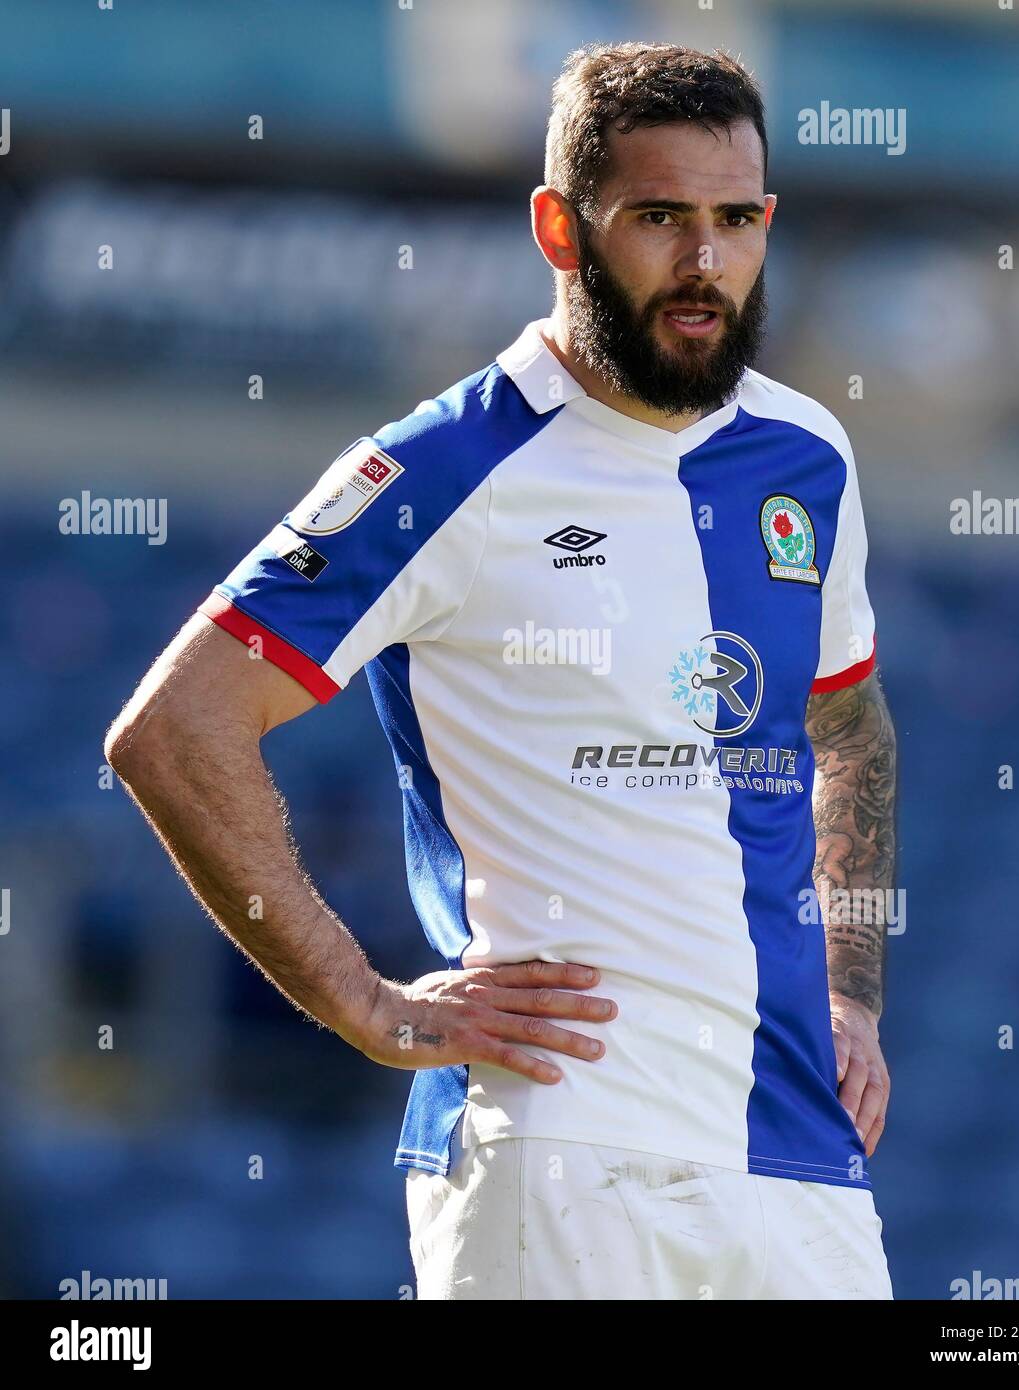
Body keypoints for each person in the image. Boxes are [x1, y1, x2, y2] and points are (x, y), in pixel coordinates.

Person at [106, 41, 898, 1300]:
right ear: (558, 227)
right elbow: (174, 731)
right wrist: (369, 1004)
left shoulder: (808, 454)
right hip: (552, 1153)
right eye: (657, 219)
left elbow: (845, 729)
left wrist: (849, 987)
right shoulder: (439, 467)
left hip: (797, 1157)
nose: (704, 264)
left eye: (734, 220)